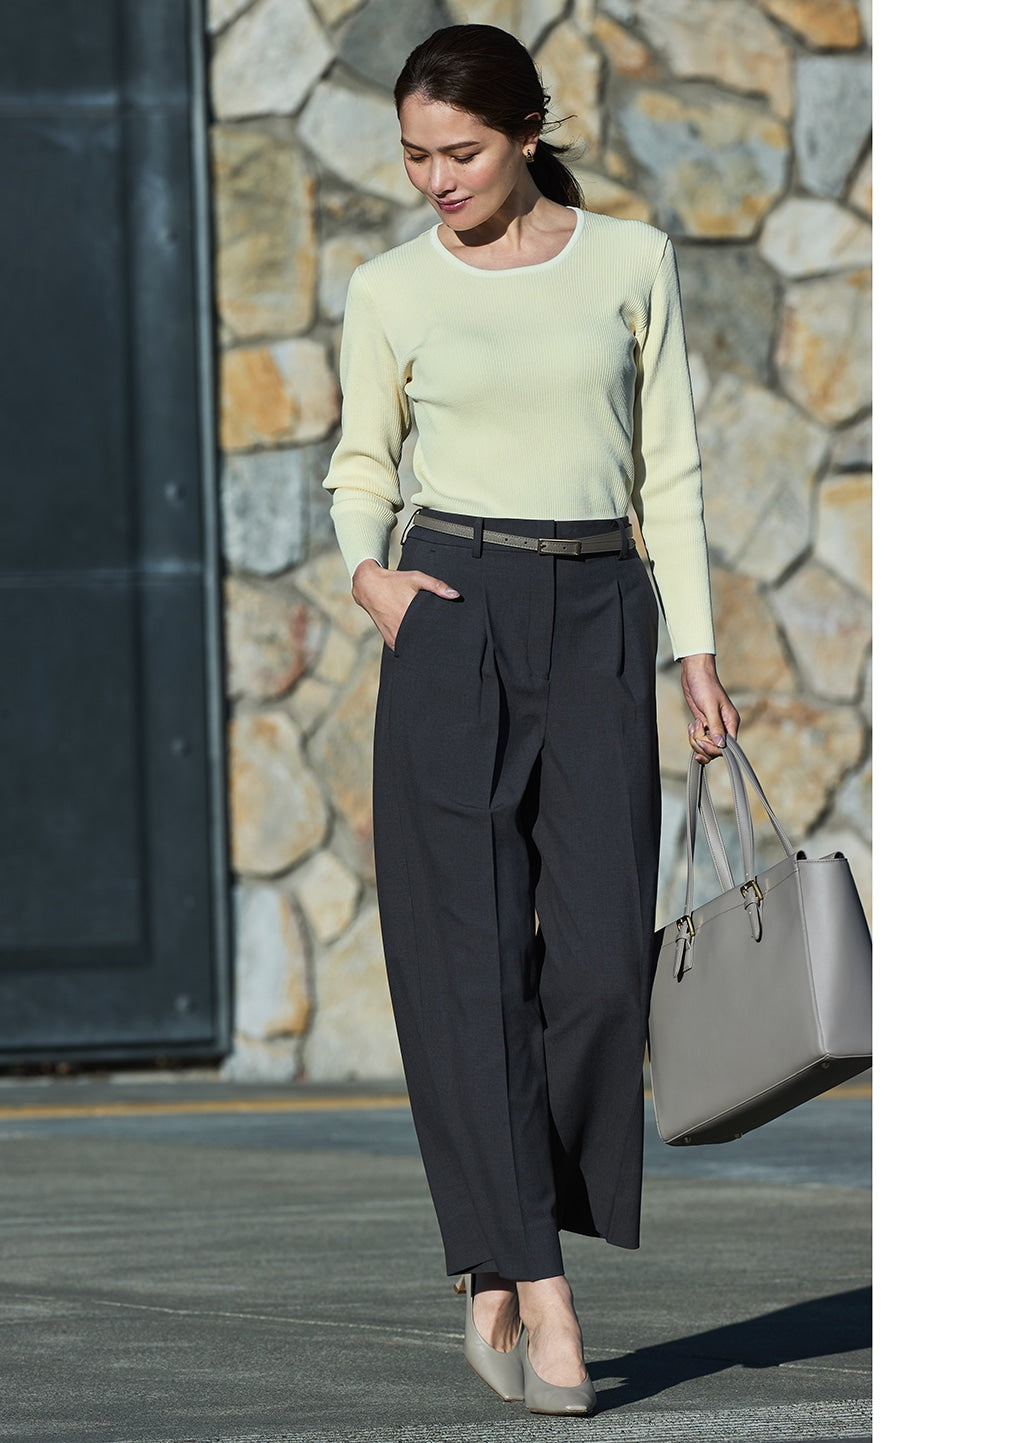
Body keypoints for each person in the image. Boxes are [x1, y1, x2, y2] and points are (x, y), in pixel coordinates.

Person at [321, 23, 739, 1417]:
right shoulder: (391, 288)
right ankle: (540, 1287)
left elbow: (670, 469)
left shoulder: (630, 262)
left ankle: (499, 1244)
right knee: (472, 960)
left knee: (608, 966)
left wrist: (696, 651)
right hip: (452, 606)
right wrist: (373, 581)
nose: (436, 179)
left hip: (602, 608)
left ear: (527, 133)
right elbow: (361, 463)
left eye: (462, 152)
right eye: (415, 156)